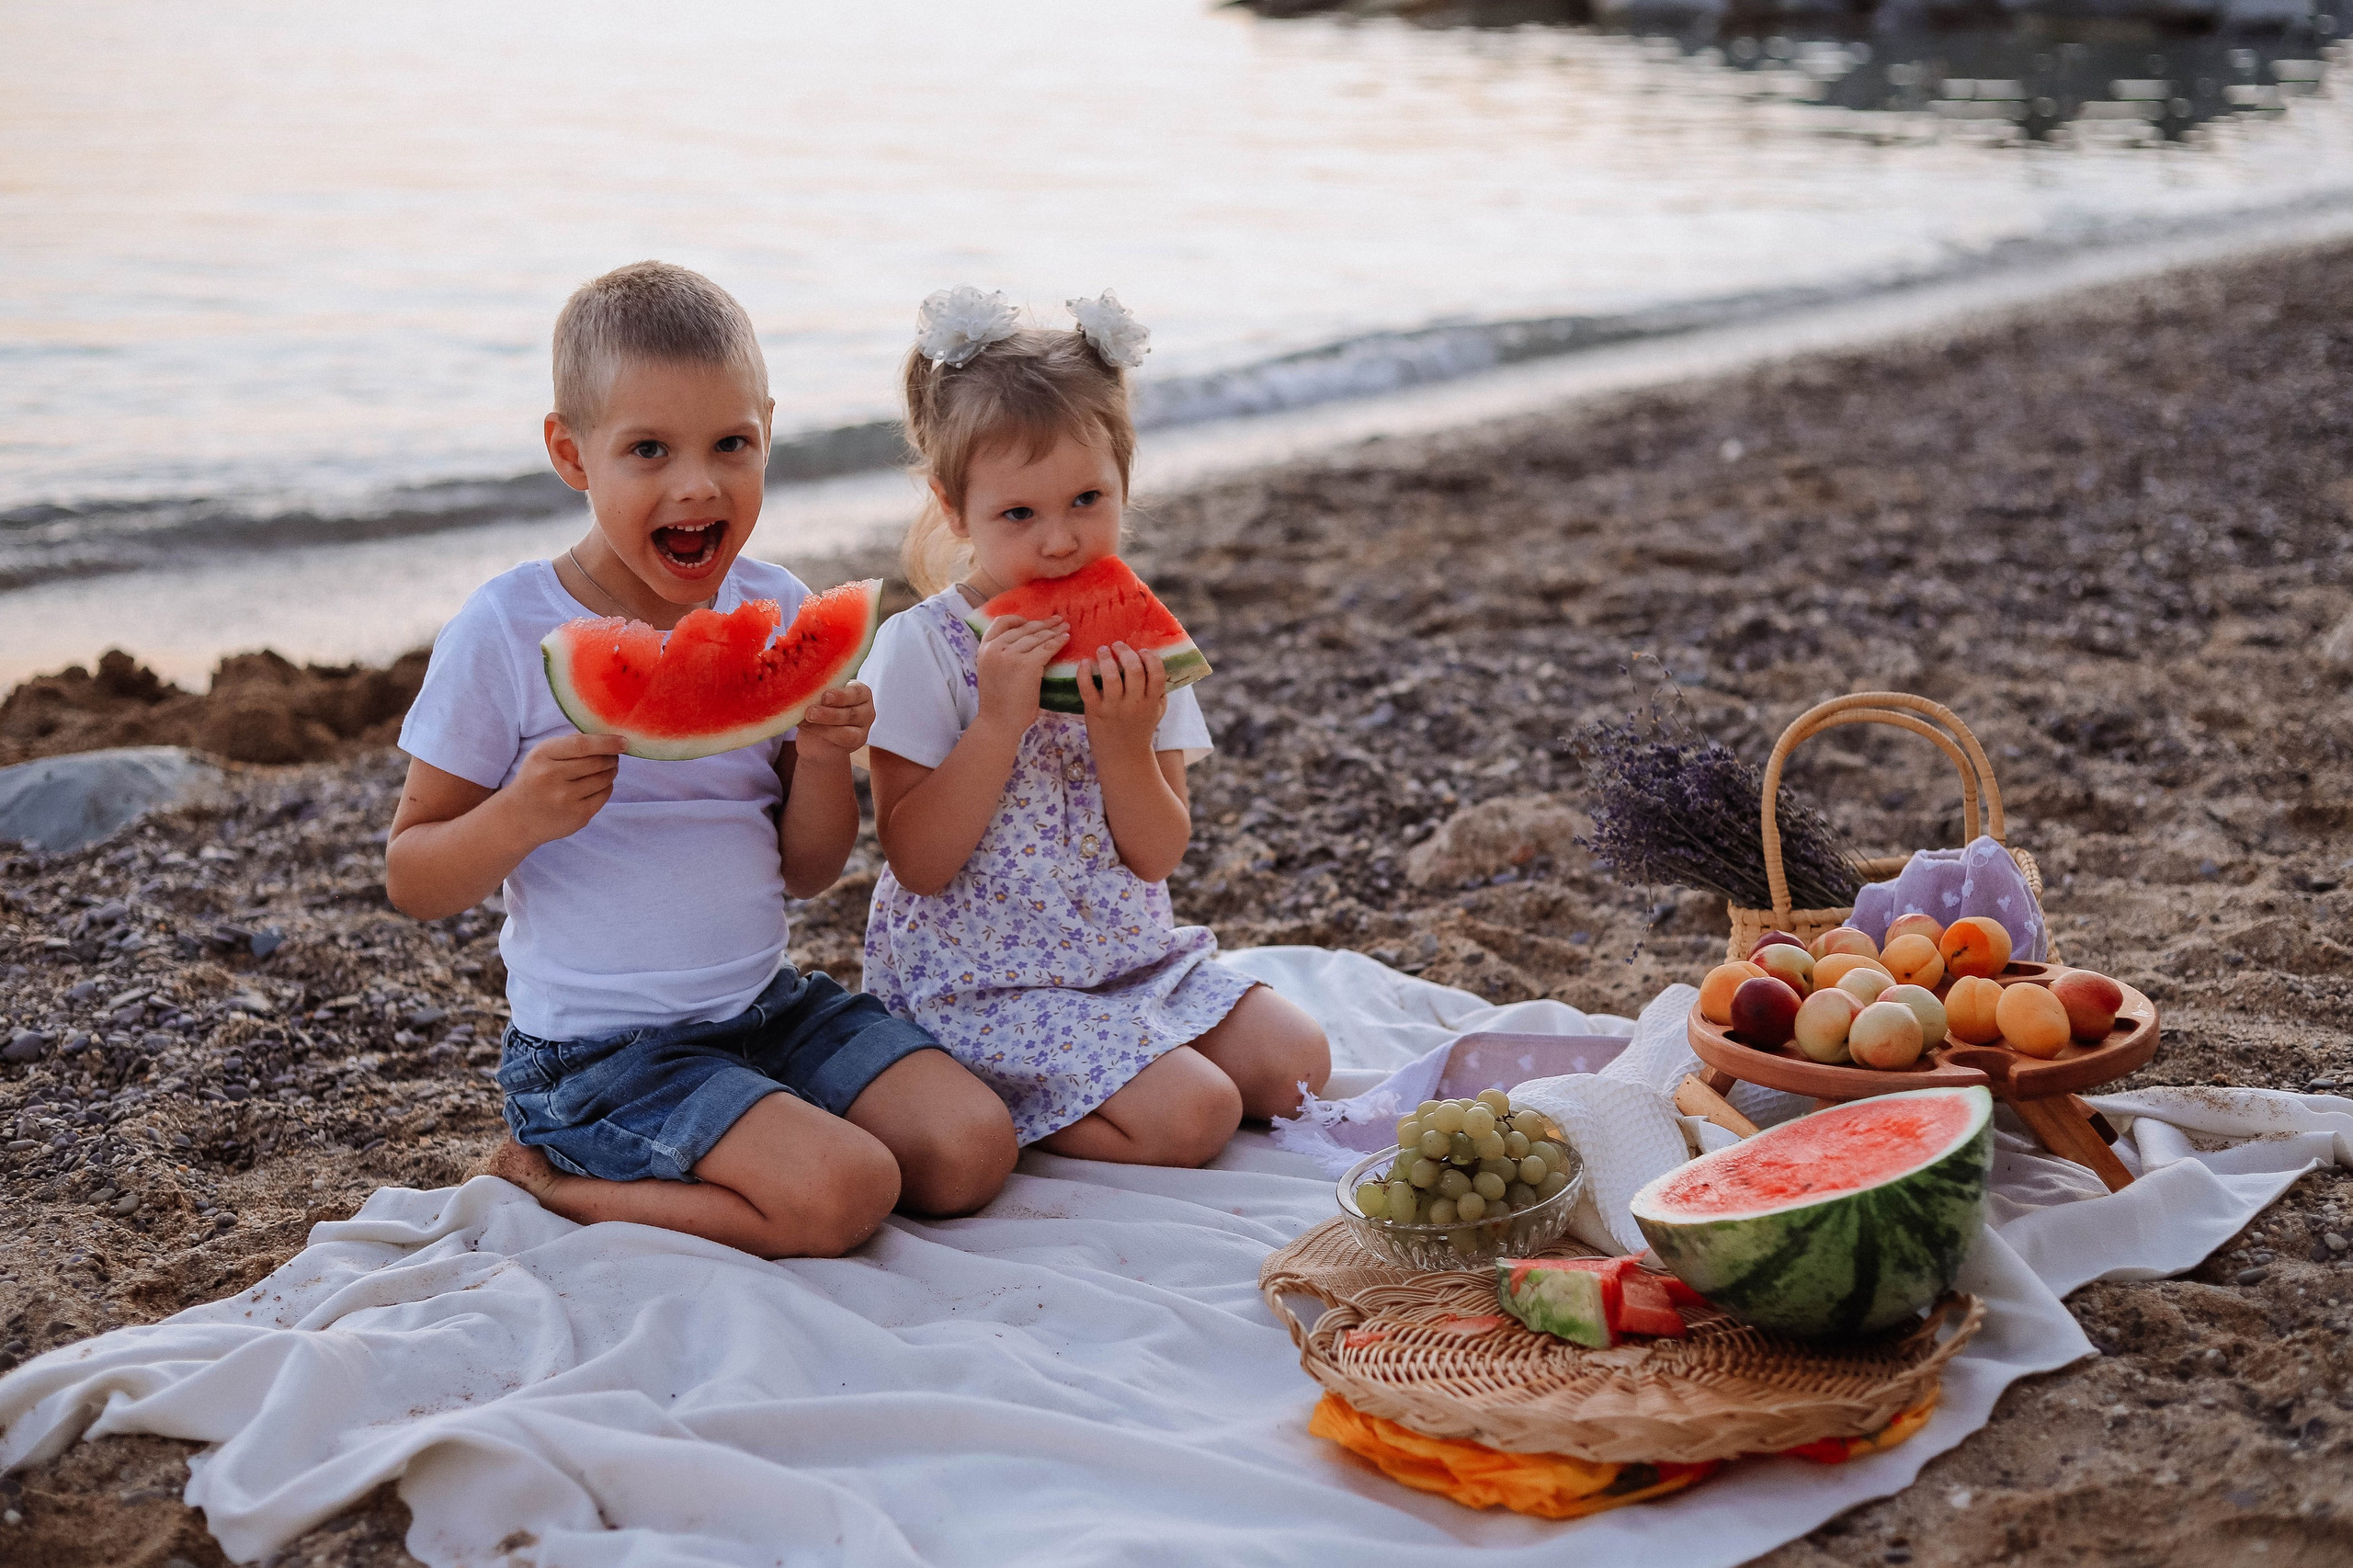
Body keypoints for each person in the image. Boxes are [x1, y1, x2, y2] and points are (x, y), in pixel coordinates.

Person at [384, 262, 1017, 1258]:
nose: (697, 483)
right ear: (570, 452)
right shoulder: (505, 629)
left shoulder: (776, 609)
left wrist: (818, 756)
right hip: (602, 1057)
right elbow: (412, 875)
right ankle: (548, 1176)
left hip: (766, 1008)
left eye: (732, 444)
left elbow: (808, 870)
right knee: (848, 1193)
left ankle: (757, 1130)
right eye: (648, 449)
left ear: (768, 427)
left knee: (973, 1148)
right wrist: (519, 817)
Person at [858, 287, 1330, 1167]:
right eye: (1018, 515)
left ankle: (1121, 1068)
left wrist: (1124, 743)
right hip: (985, 983)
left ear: (1124, 482)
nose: (1062, 542)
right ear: (954, 511)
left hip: (1132, 960)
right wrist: (998, 720)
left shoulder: (1139, 648)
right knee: (1196, 1117)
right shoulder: (918, 648)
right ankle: (1018, 1096)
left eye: (1087, 499)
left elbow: (1156, 854)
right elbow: (917, 862)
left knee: (1297, 1064)